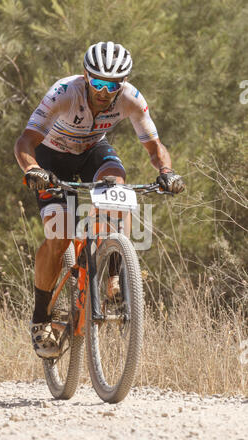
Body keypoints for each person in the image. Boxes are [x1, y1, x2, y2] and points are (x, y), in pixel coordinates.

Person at [14, 41, 185, 359]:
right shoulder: (64, 92)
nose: (105, 91)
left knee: (118, 188)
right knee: (60, 235)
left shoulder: (131, 99)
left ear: (124, 83)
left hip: (93, 151)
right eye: (98, 82)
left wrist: (167, 171)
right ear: (85, 75)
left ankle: (116, 277)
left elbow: (154, 146)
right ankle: (40, 320)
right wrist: (33, 169)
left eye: (113, 84)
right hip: (51, 159)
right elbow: (25, 140)